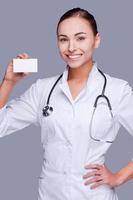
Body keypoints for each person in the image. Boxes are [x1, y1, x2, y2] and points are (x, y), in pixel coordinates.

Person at [0, 7, 133, 200]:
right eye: (63, 39)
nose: (71, 47)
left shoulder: (117, 90)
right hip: (49, 195)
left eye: (80, 38)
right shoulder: (42, 89)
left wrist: (119, 177)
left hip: (94, 195)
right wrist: (8, 83)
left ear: (96, 40)